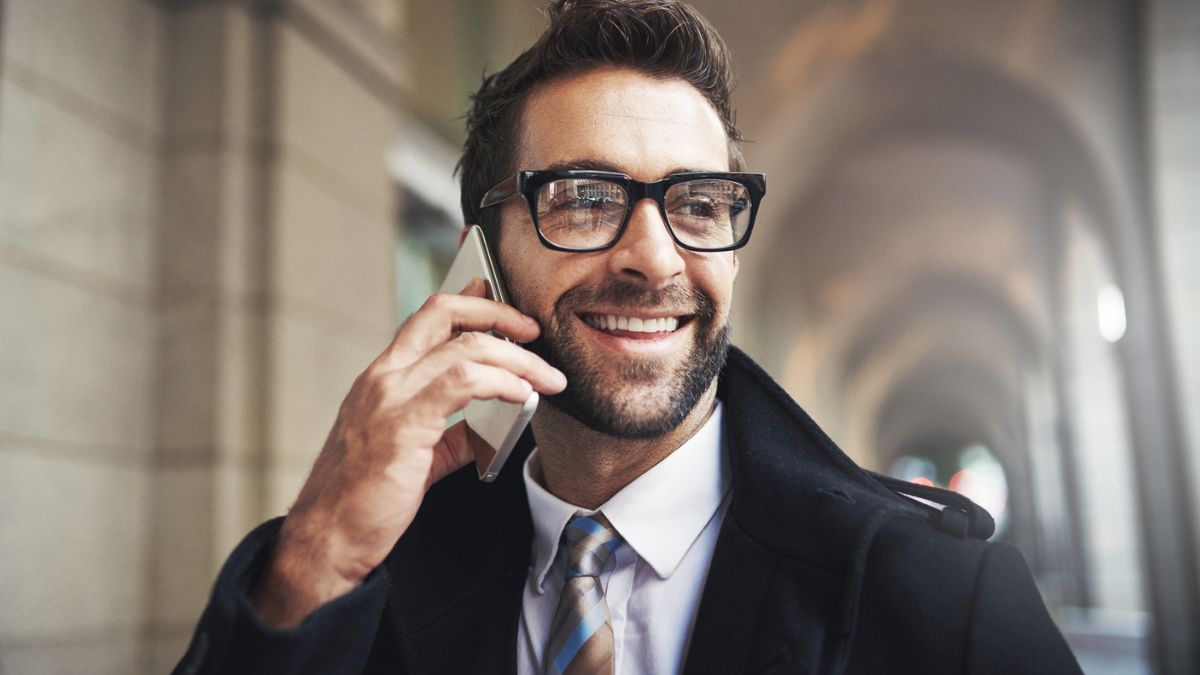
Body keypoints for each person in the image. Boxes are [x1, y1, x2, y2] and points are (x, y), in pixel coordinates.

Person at [173, 1, 1082, 673]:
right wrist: (318, 552)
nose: (654, 259)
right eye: (583, 198)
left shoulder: (945, 600)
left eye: (697, 203)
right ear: (479, 261)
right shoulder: (348, 581)